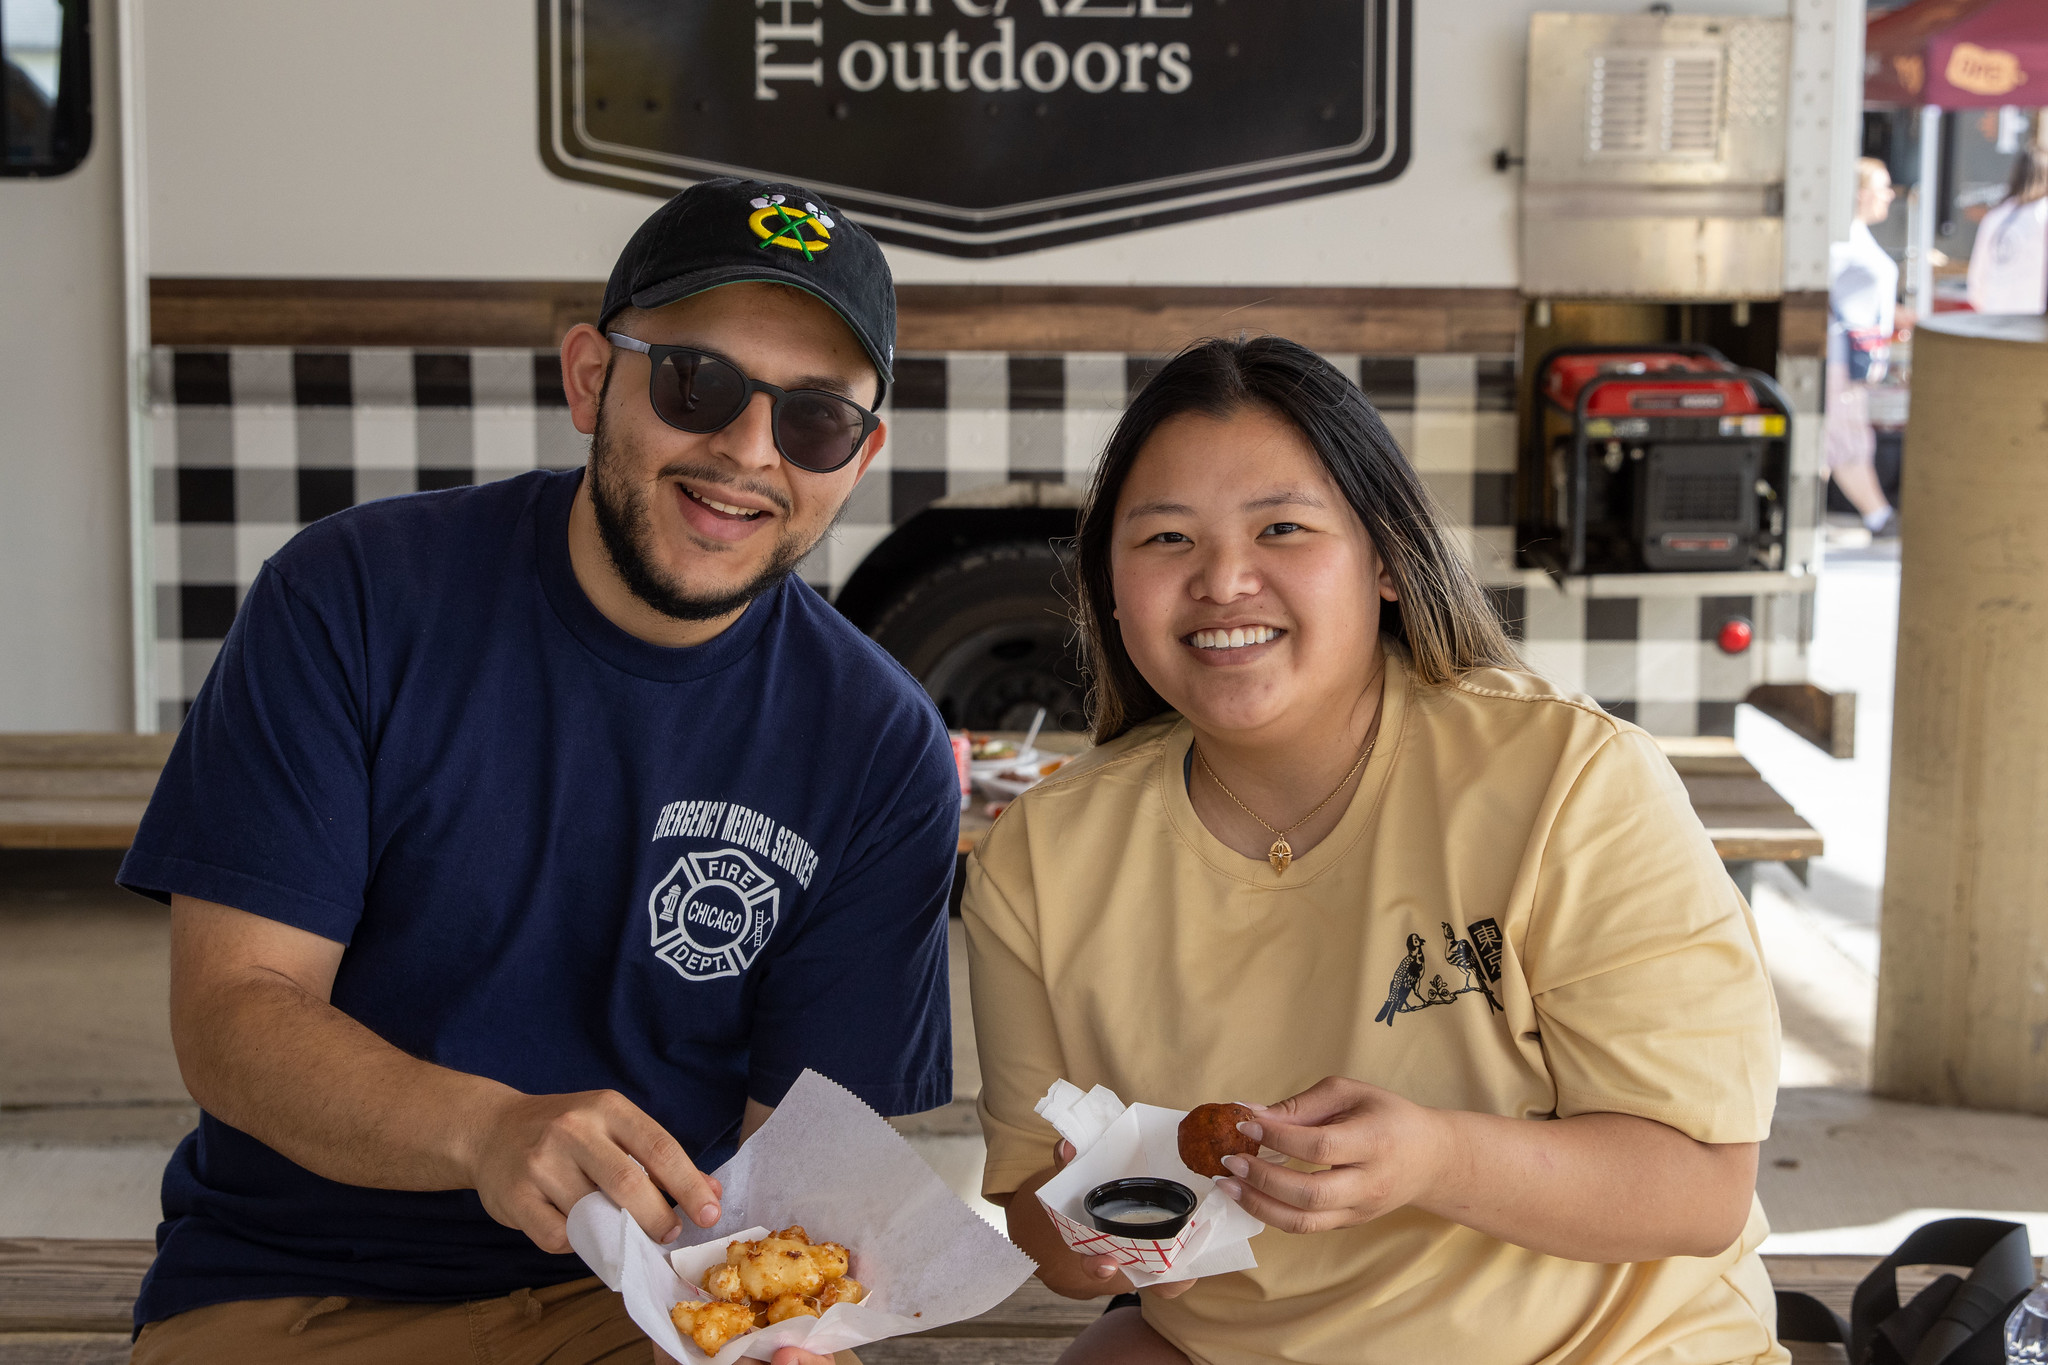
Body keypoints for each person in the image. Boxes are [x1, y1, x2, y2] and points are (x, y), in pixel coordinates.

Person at [119, 178, 959, 1364]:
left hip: (655, 1306)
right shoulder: (351, 598)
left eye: (814, 418)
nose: (747, 449)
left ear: (859, 456)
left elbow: (801, 1165)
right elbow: (231, 1016)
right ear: (587, 377)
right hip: (296, 1294)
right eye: (696, 384)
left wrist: (798, 1325)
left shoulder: (880, 743)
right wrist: (485, 1131)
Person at [965, 337, 1784, 1365]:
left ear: (1386, 561)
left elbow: (1700, 1188)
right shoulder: (1039, 856)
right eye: (1166, 538)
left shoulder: (1569, 781)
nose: (1222, 579)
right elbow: (1039, 1220)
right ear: (1111, 586)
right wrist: (1093, 1239)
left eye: (1282, 528)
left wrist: (1433, 1158)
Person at [1826, 157, 1908, 539]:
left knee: (1841, 437)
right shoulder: (1841, 238)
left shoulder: (1856, 235)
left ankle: (1877, 514)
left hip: (1855, 353)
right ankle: (1878, 515)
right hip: (1839, 353)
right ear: (1861, 194)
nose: (1890, 196)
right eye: (1883, 187)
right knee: (1844, 438)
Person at [1966, 135, 2048, 314]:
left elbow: (1976, 283)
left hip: (1995, 323)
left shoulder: (1995, 217)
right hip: (2034, 325)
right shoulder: (2043, 214)